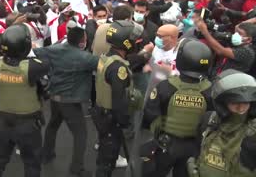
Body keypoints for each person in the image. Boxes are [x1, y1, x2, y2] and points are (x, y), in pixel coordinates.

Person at [0, 24, 49, 177]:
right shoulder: (33, 67)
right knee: (32, 163)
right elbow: (46, 62)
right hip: (28, 123)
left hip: (4, 120)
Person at [141, 39, 213, 177]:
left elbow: (149, 116)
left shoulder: (165, 87)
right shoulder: (211, 91)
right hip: (194, 147)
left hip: (166, 144)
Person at [33, 27, 99, 177]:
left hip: (55, 96)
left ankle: (47, 154)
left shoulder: (55, 49)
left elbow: (37, 52)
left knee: (52, 125)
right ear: (83, 41)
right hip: (71, 100)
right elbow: (105, 65)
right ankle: (77, 168)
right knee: (80, 134)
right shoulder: (85, 57)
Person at [92, 20, 143, 177]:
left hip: (101, 112)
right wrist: (124, 121)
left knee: (104, 153)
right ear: (126, 42)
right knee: (108, 159)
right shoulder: (118, 67)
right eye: (134, 39)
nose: (137, 41)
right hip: (111, 118)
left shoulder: (106, 57)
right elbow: (119, 99)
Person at [187, 69, 256, 177]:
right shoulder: (209, 119)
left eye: (246, 102)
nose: (241, 108)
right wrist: (193, 163)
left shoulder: (253, 134)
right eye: (234, 102)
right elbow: (197, 149)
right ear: (222, 103)